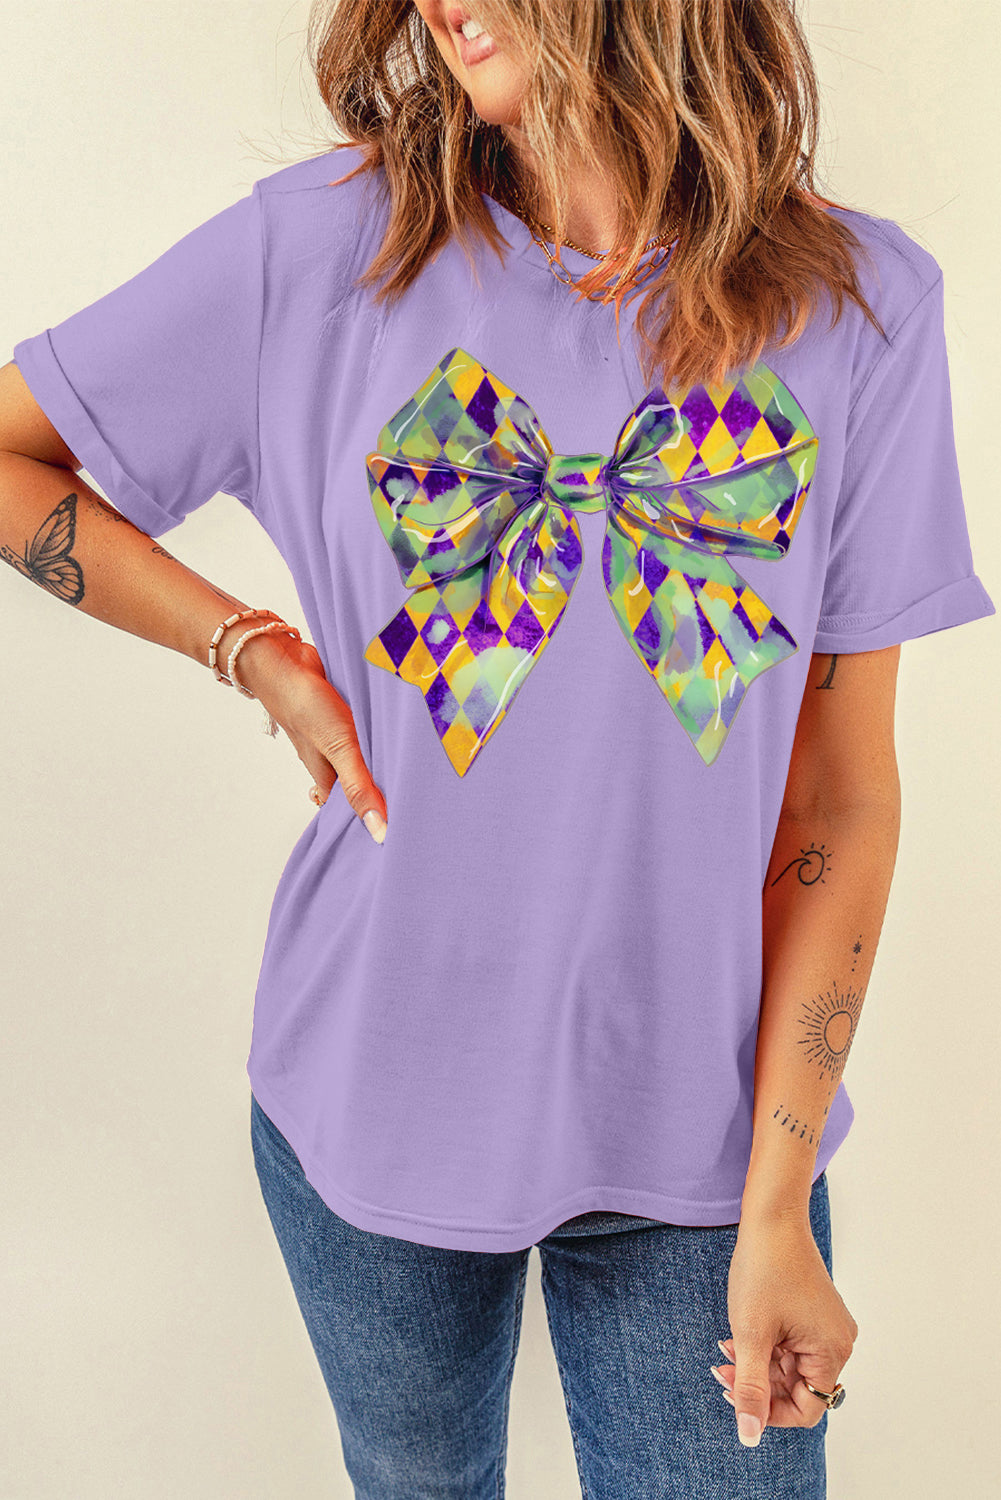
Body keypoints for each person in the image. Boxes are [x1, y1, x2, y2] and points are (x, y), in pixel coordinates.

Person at [1, 1, 994, 1495]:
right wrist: (247, 647)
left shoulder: (860, 306)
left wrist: (780, 1201)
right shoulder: (317, 249)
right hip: (369, 1090)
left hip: (706, 1137)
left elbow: (841, 799)